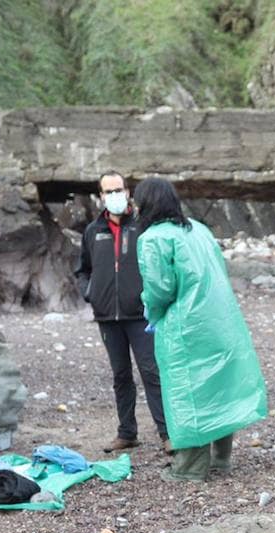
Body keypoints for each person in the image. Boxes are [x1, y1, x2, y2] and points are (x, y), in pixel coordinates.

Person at [134, 177, 268, 482]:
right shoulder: (197, 229)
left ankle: (190, 467)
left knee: (187, 391)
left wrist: (151, 311)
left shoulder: (154, 238)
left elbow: (160, 289)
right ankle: (221, 459)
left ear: (146, 203)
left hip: (186, 326)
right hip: (220, 321)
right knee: (219, 387)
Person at [74, 173, 169, 454]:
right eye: (108, 191)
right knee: (121, 376)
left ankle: (167, 433)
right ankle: (127, 432)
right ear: (101, 196)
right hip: (107, 317)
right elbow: (83, 269)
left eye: (119, 189)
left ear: (127, 191)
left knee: (152, 372)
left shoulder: (143, 226)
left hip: (140, 315)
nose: (114, 195)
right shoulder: (93, 231)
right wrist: (89, 292)